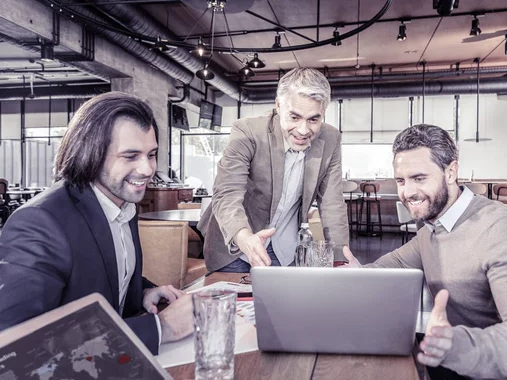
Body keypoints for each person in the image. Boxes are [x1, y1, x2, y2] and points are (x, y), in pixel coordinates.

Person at [343, 124, 507, 379]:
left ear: (451, 172)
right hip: (470, 366)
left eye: (420, 178)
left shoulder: (505, 230)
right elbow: (387, 268)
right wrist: (357, 274)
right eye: (401, 181)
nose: (408, 192)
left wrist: (454, 344)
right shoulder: (432, 230)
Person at [0, 92, 192, 354]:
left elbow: (103, 281)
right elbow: (15, 346)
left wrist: (145, 292)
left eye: (151, 154)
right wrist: (162, 328)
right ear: (91, 152)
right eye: (130, 156)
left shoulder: (124, 205)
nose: (148, 169)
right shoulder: (39, 222)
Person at [198, 68, 349, 272]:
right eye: (294, 117)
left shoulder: (330, 138)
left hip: (285, 250)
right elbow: (227, 193)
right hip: (236, 246)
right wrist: (245, 239)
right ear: (278, 106)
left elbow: (332, 204)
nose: (303, 130)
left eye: (313, 119)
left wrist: (341, 260)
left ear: (324, 112)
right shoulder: (248, 132)